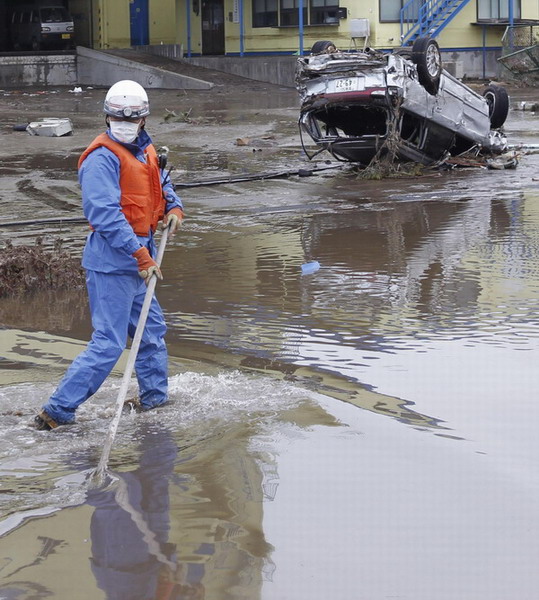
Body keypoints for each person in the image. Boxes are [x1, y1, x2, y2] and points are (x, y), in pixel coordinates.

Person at [33, 80, 183, 430]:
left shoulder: (146, 150)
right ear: (107, 116)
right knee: (109, 343)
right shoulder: (101, 159)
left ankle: (154, 401)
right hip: (115, 262)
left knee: (150, 332)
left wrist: (174, 207)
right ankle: (55, 413)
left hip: (142, 259)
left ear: (144, 119)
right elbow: (104, 214)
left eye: (132, 118)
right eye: (119, 117)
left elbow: (161, 184)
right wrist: (139, 255)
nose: (126, 123)